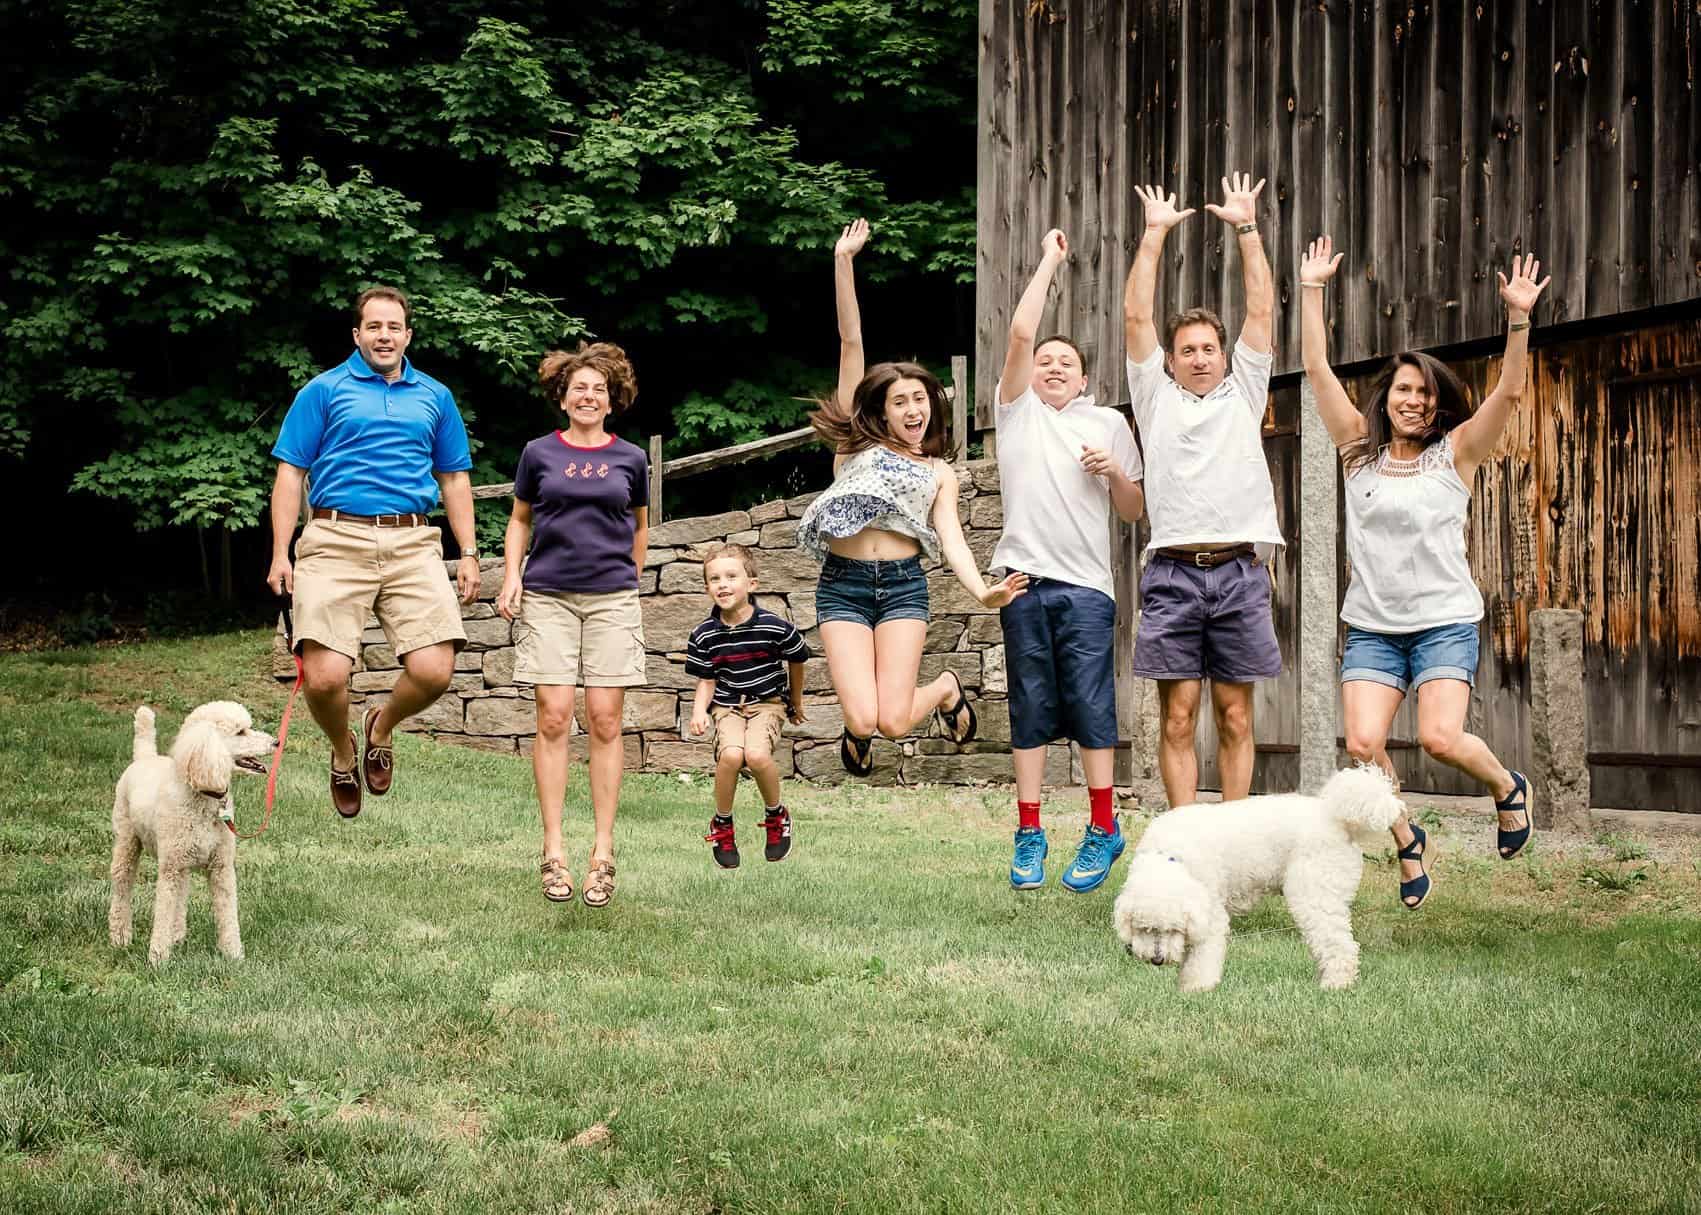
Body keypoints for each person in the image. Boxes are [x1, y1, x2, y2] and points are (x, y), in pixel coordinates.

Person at [1299, 236, 1550, 908]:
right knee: (1361, 743)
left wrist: (1518, 319)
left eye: (1424, 393)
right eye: (1402, 390)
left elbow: (1510, 388)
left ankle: (1506, 788)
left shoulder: (1455, 454)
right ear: (1385, 398)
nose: (1411, 400)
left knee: (1439, 737)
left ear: (1438, 404)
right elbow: (1315, 367)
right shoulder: (1356, 452)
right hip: (1374, 627)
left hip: (1442, 621)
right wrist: (1313, 288)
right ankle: (1407, 839)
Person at [797, 218, 1028, 775]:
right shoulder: (855, 444)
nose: (912, 410)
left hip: (903, 588)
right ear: (881, 411)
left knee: (894, 722)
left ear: (932, 407)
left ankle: (946, 689)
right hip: (844, 588)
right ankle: (862, 732)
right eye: (900, 401)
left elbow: (950, 538)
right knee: (861, 718)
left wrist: (981, 592)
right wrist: (843, 261)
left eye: (920, 400)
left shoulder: (939, 472)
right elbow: (851, 340)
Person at [267, 286, 480, 820]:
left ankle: (379, 728)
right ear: (357, 334)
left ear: (408, 335)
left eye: (394, 327)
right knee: (324, 677)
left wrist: (471, 552)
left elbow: (454, 478)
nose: (384, 336)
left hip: (413, 541)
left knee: (435, 669)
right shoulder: (323, 390)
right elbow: (291, 473)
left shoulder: (435, 395)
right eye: (374, 327)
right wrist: (280, 553)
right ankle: (342, 750)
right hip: (335, 538)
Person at [1122, 174, 1283, 809]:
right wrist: (1155, 234)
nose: (1198, 357)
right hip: (1173, 574)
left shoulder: (1244, 390)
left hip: (1240, 569)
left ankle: (1235, 834)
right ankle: (1185, 837)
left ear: (1223, 354)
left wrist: (1246, 228)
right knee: (1179, 718)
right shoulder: (1154, 397)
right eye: (1186, 349)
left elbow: (1262, 309)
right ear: (1169, 360)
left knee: (1237, 716)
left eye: (1208, 348)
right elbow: (1137, 313)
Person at [992, 228, 1145, 893]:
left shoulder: (1106, 423)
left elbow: (1134, 510)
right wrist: (1049, 259)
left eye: (1065, 362)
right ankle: (1028, 831)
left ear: (1084, 379)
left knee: (1089, 707)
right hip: (1021, 581)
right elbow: (1020, 335)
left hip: (1085, 586)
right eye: (1044, 359)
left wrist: (1113, 472)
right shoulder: (1015, 411)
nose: (1051, 366)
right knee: (1028, 708)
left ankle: (1102, 824)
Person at [496, 342, 649, 910]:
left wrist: (626, 580)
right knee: (555, 716)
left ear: (611, 402)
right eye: (579, 388)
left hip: (611, 600)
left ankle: (602, 854)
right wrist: (512, 575)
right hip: (548, 597)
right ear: (563, 397)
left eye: (599, 390)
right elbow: (519, 519)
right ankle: (554, 849)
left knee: (606, 720)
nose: (589, 396)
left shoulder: (631, 458)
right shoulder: (538, 453)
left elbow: (640, 529)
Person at [687, 545, 810, 867]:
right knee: (731, 755)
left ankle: (776, 815)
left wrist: (795, 701)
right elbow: (706, 679)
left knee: (755, 756)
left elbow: (797, 659)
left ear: (751, 584)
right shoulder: (704, 635)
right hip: (727, 707)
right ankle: (723, 823)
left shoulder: (774, 626)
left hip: (767, 705)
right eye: (714, 579)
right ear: (706, 588)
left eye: (731, 576)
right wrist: (699, 710)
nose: (722, 584)